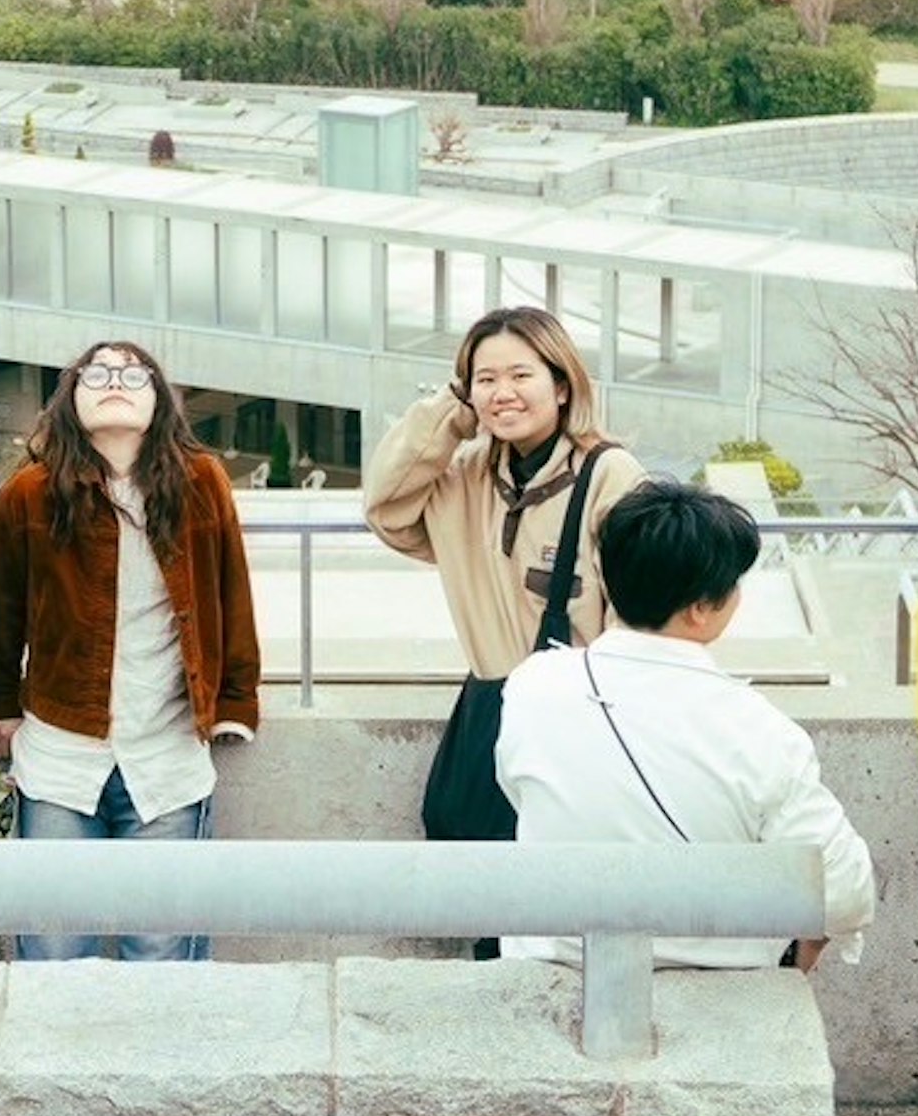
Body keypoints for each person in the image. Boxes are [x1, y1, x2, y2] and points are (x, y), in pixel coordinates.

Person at [493, 479, 875, 971]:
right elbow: (843, 890)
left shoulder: (532, 687)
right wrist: (799, 962)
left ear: (608, 581)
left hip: (557, 973)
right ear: (700, 608)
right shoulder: (761, 732)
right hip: (713, 991)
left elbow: (521, 793)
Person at [0, 340, 261, 961]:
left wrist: (236, 699)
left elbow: (230, 590)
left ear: (160, 398)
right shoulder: (28, 493)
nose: (115, 381)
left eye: (134, 374)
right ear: (70, 399)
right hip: (60, 756)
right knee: (53, 952)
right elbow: (2, 609)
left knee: (162, 955)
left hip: (167, 756)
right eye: (97, 373)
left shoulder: (200, 482)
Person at [365, 305, 649, 870]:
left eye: (522, 375)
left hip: (583, 716)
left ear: (562, 385)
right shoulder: (466, 473)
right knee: (473, 867)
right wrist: (450, 412)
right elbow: (387, 507)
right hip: (490, 703)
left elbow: (636, 616)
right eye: (485, 380)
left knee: (560, 885)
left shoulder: (610, 476)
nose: (503, 394)